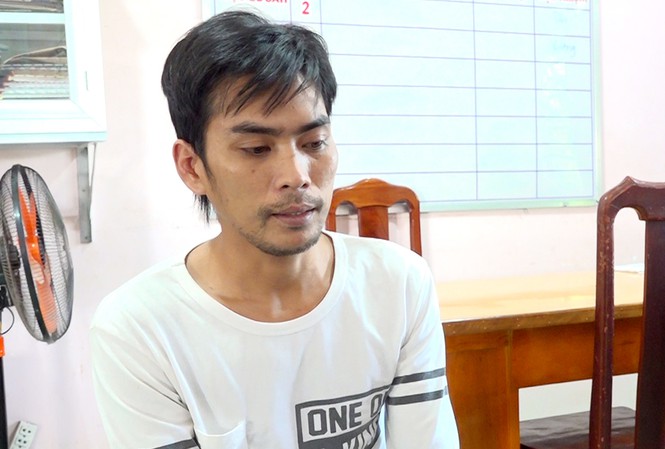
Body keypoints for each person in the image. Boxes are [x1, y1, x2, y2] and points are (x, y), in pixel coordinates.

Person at [90, 9, 460, 449]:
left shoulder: (398, 284)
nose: (297, 176)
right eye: (256, 148)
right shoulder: (138, 329)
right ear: (192, 167)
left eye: (314, 143)